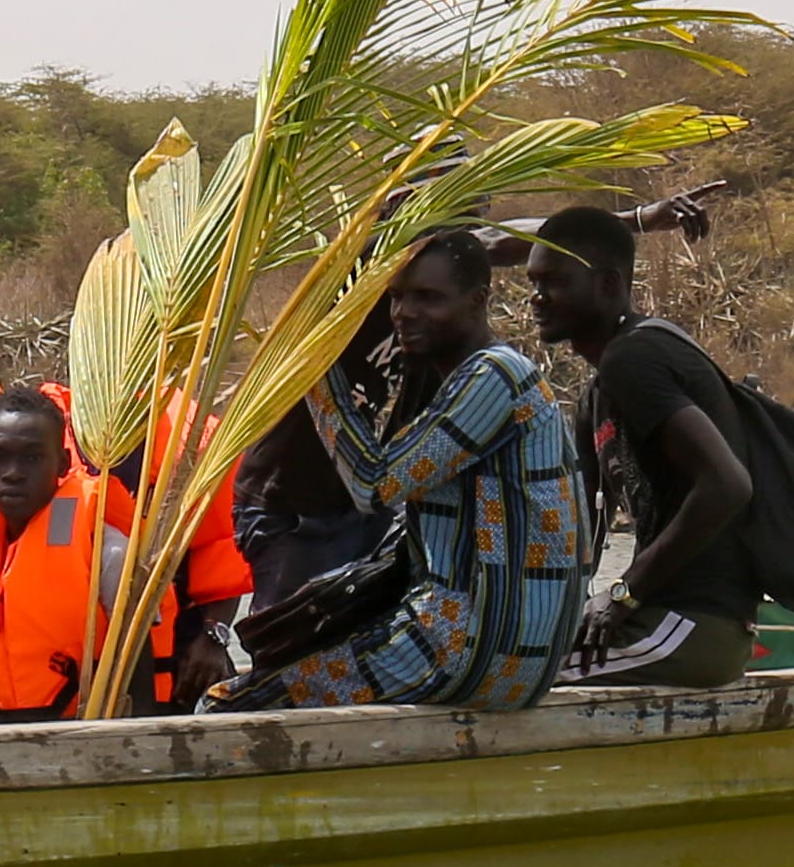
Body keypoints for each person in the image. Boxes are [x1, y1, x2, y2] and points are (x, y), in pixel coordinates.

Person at [212, 228, 585, 713]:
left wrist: (312, 367)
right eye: (397, 298)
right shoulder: (466, 376)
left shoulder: (494, 377)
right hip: (499, 652)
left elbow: (373, 484)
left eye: (427, 299)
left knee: (226, 705)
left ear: (477, 301)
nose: (403, 314)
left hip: (475, 652)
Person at [519, 204, 762, 687]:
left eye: (554, 282)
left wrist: (624, 593)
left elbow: (728, 485)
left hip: (692, 625)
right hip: (654, 618)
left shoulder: (637, 357)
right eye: (534, 283)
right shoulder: (596, 392)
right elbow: (582, 528)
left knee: (509, 678)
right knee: (498, 654)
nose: (537, 298)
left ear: (609, 285)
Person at [0, 383, 250, 719]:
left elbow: (222, 553)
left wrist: (214, 634)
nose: (13, 474)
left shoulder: (108, 552)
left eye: (32, 458)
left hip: (142, 687)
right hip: (13, 723)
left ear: (62, 464)